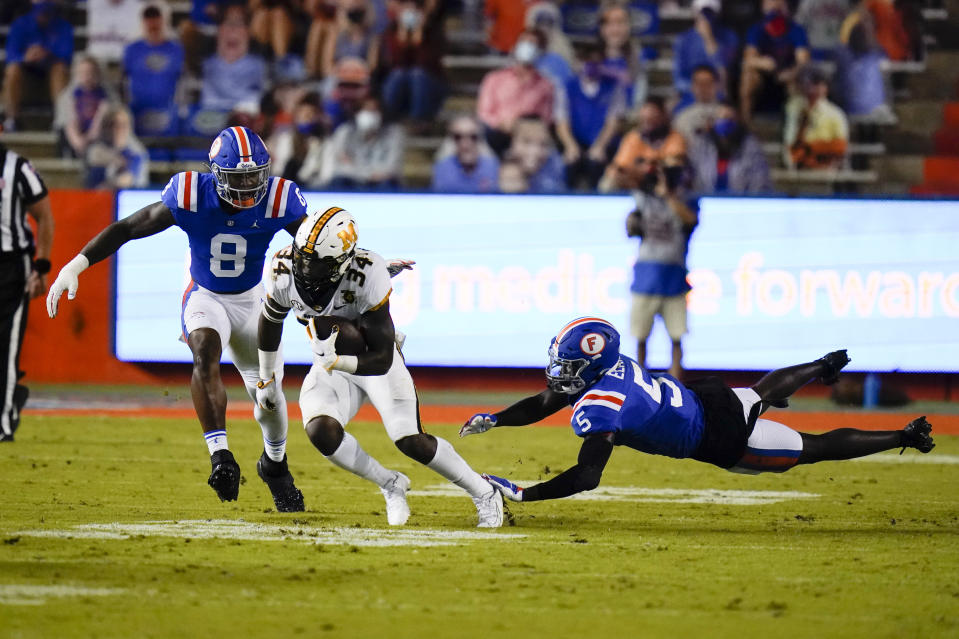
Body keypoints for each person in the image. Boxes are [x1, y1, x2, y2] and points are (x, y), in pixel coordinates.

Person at [47, 126, 309, 512]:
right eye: (240, 178)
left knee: (268, 397)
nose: (250, 186)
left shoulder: (279, 199)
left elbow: (318, 246)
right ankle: (220, 454)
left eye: (256, 176)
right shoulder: (191, 194)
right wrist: (77, 263)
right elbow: (127, 228)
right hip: (206, 296)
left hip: (255, 302)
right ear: (217, 175)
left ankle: (275, 465)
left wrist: (366, 273)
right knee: (204, 351)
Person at [460, 317, 936, 507]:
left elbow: (587, 477)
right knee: (759, 392)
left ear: (590, 366)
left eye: (569, 365)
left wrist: (525, 494)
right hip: (709, 399)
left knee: (812, 449)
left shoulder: (602, 403)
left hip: (716, 439)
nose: (559, 373)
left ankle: (904, 435)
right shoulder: (613, 370)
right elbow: (546, 401)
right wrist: (498, 418)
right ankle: (823, 364)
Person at [255, 207, 504, 527]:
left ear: (341, 263)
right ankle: (390, 483)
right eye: (301, 255)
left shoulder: (368, 273)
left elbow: (383, 357)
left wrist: (338, 360)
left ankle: (484, 493)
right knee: (321, 430)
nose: (304, 266)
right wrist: (266, 378)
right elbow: (270, 322)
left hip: (372, 361)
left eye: (315, 261)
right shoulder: (282, 267)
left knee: (408, 439)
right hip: (332, 362)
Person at [0, 125, 54, 442]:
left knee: (6, 346)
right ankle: (12, 399)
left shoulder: (16, 168)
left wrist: (41, 266)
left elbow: (44, 215)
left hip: (10, 266)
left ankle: (4, 420)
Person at [624, 158, 696, 379]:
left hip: (673, 279)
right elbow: (623, 174)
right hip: (647, 277)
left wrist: (668, 195)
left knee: (676, 337)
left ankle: (676, 381)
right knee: (641, 336)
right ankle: (639, 382)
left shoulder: (687, 201)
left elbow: (690, 220)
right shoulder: (643, 198)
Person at [554, 42, 627, 191]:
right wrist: (570, 146)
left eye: (595, 61)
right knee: (570, 162)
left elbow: (613, 122)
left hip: (602, 141)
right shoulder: (567, 86)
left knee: (597, 163)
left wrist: (600, 146)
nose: (590, 65)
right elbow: (561, 120)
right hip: (574, 139)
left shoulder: (613, 87)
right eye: (586, 61)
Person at [476, 28, 555, 157]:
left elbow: (546, 118)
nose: (527, 47)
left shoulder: (546, 85)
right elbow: (484, 112)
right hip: (496, 134)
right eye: (524, 42)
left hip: (528, 138)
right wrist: (502, 124)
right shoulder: (494, 79)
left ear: (540, 51)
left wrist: (523, 128)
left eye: (533, 44)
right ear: (515, 47)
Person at [2, 0, 73, 131]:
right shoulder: (21, 24)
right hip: (27, 74)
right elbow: (10, 55)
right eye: (40, 13)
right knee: (12, 69)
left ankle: (60, 121)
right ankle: (12, 119)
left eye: (46, 13)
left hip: (51, 72)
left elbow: (67, 56)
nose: (42, 16)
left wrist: (47, 53)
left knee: (60, 69)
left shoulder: (63, 26)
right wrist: (26, 57)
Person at [740, 0, 811, 124]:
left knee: (796, 83)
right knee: (748, 77)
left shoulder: (796, 30)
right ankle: (746, 124)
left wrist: (792, 72)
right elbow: (748, 59)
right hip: (765, 75)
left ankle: (795, 129)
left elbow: (803, 61)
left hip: (787, 75)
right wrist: (762, 62)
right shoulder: (756, 30)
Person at [122, 3, 185, 137]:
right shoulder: (132, 49)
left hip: (167, 109)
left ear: (164, 23)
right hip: (138, 109)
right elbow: (123, 82)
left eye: (156, 24)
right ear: (143, 23)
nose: (153, 28)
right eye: (149, 24)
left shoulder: (176, 49)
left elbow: (182, 81)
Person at [600, 97, 686, 193]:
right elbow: (620, 166)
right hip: (637, 181)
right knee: (609, 180)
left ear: (663, 116)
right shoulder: (633, 137)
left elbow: (673, 165)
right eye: (645, 120)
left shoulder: (675, 137)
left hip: (663, 182)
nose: (648, 124)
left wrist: (649, 167)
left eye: (652, 119)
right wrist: (635, 172)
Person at [380, 0, 447, 123]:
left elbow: (427, 63)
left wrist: (419, 33)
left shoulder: (434, 30)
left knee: (418, 74)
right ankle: (389, 118)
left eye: (414, 10)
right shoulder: (391, 30)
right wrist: (402, 35)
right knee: (398, 74)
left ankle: (419, 120)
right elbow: (394, 62)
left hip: (430, 83)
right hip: (401, 80)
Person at [322, 96, 405, 190]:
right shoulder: (345, 132)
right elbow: (340, 166)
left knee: (389, 184)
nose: (371, 114)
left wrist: (369, 174)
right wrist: (367, 175)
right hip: (353, 178)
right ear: (358, 113)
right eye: (367, 110)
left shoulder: (394, 133)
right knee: (338, 181)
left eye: (374, 111)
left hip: (381, 181)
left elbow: (393, 167)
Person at [688, 102, 771, 194]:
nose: (725, 122)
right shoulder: (702, 145)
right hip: (706, 202)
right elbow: (692, 175)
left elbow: (760, 180)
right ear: (713, 121)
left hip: (742, 203)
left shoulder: (750, 145)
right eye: (722, 118)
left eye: (730, 119)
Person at [200, 5, 268, 114]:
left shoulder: (264, 68)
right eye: (228, 22)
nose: (233, 29)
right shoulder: (198, 66)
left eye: (239, 23)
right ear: (218, 31)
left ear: (249, 33)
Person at [673, 0, 739, 111]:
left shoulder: (729, 37)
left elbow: (724, 71)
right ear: (695, 12)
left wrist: (709, 39)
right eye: (702, 12)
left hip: (717, 96)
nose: (706, 17)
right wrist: (699, 88)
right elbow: (678, 79)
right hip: (690, 97)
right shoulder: (683, 40)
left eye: (710, 12)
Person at [784, 66, 849, 169]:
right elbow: (791, 147)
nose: (812, 89)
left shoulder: (835, 114)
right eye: (808, 85)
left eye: (817, 84)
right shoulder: (794, 111)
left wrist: (812, 149)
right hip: (801, 168)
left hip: (827, 167)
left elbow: (840, 148)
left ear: (825, 87)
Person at [55, 56, 112, 160]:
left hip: (99, 137)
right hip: (73, 138)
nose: (87, 76)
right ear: (76, 74)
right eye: (83, 73)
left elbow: (100, 123)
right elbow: (69, 122)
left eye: (91, 72)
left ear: (98, 74)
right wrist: (78, 141)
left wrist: (90, 137)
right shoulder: (68, 96)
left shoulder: (108, 96)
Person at [84, 106, 150, 189]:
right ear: (105, 127)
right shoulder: (95, 150)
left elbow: (127, 179)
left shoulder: (136, 152)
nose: (117, 130)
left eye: (123, 125)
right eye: (112, 125)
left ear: (129, 128)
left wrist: (106, 186)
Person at [431, 115, 500, 193]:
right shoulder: (442, 168)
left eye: (473, 137)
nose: (465, 144)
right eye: (458, 137)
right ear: (451, 140)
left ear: (481, 139)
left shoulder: (493, 167)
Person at [597, 1, 647, 108]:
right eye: (609, 23)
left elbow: (639, 99)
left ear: (629, 26)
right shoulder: (592, 58)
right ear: (601, 28)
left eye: (620, 22)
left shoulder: (637, 57)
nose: (615, 29)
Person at [321, 0, 381, 80]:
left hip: (361, 79)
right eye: (352, 7)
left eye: (358, 7)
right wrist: (342, 72)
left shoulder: (372, 37)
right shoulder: (336, 34)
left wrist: (355, 71)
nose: (355, 9)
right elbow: (327, 65)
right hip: (338, 78)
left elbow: (372, 65)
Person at [506, 116, 565, 193]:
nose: (535, 151)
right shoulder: (497, 167)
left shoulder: (556, 165)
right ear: (512, 142)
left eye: (543, 144)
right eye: (526, 142)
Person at [673, 64, 723, 144]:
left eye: (708, 83)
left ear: (717, 85)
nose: (703, 88)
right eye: (699, 84)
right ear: (692, 86)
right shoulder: (682, 117)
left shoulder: (728, 114)